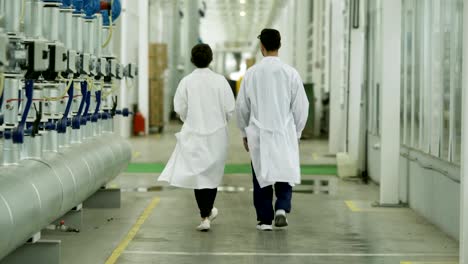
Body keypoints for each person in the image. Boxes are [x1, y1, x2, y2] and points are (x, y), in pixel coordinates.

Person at [236, 29, 309, 231]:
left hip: (259, 132)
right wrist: (297, 132)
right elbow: (302, 106)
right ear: (280, 45)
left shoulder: (251, 74)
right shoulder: (291, 73)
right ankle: (282, 209)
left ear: (262, 47)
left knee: (261, 174)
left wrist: (243, 132)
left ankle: (265, 219)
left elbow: (242, 106)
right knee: (284, 170)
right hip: (284, 131)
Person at [158, 44, 235, 232]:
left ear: (192, 60)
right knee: (212, 176)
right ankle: (207, 212)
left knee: (199, 176)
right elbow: (230, 108)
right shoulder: (220, 81)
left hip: (194, 133)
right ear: (211, 59)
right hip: (217, 135)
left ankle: (205, 215)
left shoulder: (186, 81)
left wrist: (189, 119)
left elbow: (179, 108)